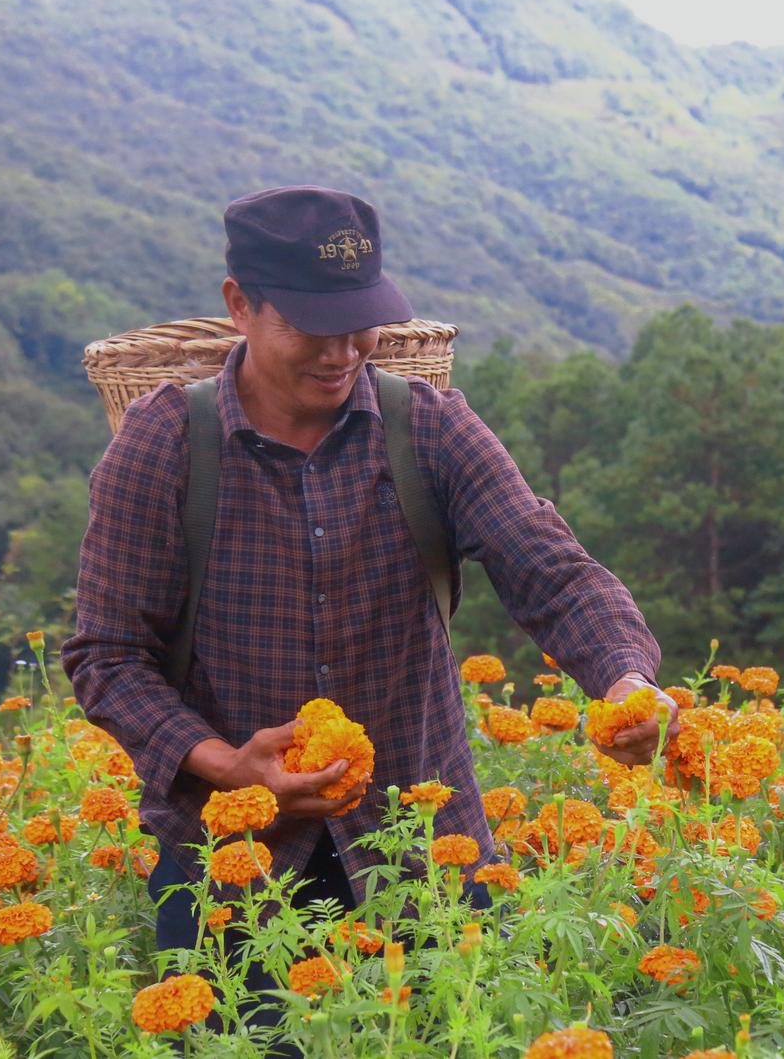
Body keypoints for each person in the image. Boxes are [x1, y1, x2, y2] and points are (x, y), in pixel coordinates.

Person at [60, 185, 676, 977]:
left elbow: (551, 569)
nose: (342, 350)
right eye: (312, 324)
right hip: (231, 867)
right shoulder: (167, 446)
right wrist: (227, 763)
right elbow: (107, 657)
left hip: (424, 859)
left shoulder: (430, 426)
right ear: (240, 306)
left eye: (360, 321)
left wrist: (626, 680)